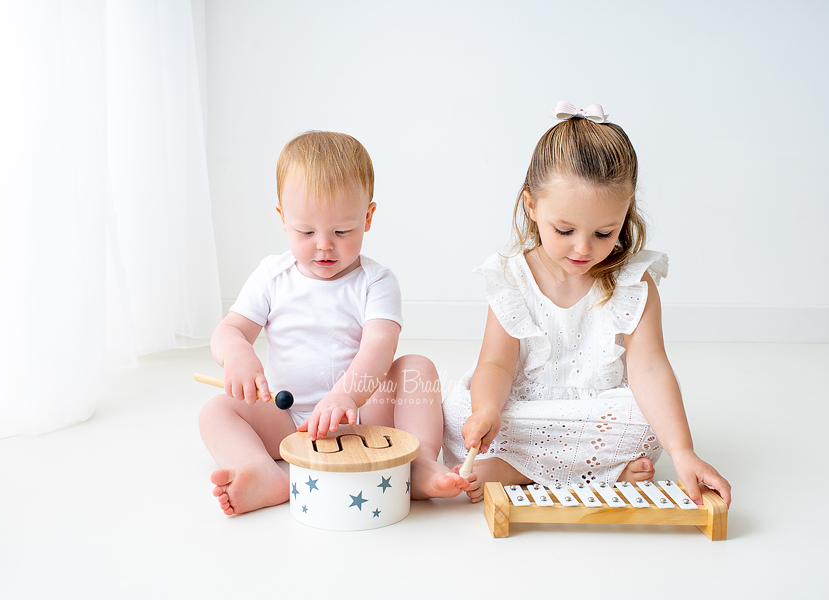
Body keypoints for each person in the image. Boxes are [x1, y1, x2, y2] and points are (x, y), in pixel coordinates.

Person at [442, 102, 731, 506]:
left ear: (625, 215)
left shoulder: (632, 281)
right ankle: (602, 471)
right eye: (564, 230)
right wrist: (487, 411)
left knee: (647, 423)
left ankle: (517, 470)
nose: (583, 248)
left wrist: (683, 452)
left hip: (598, 408)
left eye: (603, 232)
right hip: (524, 406)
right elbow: (495, 363)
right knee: (458, 415)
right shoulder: (512, 278)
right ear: (531, 207)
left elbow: (648, 367)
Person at [199, 131, 468, 515]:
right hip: (289, 420)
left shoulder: (376, 281)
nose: (324, 244)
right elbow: (230, 330)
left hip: (362, 417)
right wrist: (237, 355)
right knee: (216, 411)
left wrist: (347, 396)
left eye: (342, 231)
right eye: (305, 231)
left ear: (368, 217)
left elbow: (379, 346)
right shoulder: (272, 276)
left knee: (416, 368)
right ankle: (261, 471)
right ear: (282, 218)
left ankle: (419, 461)